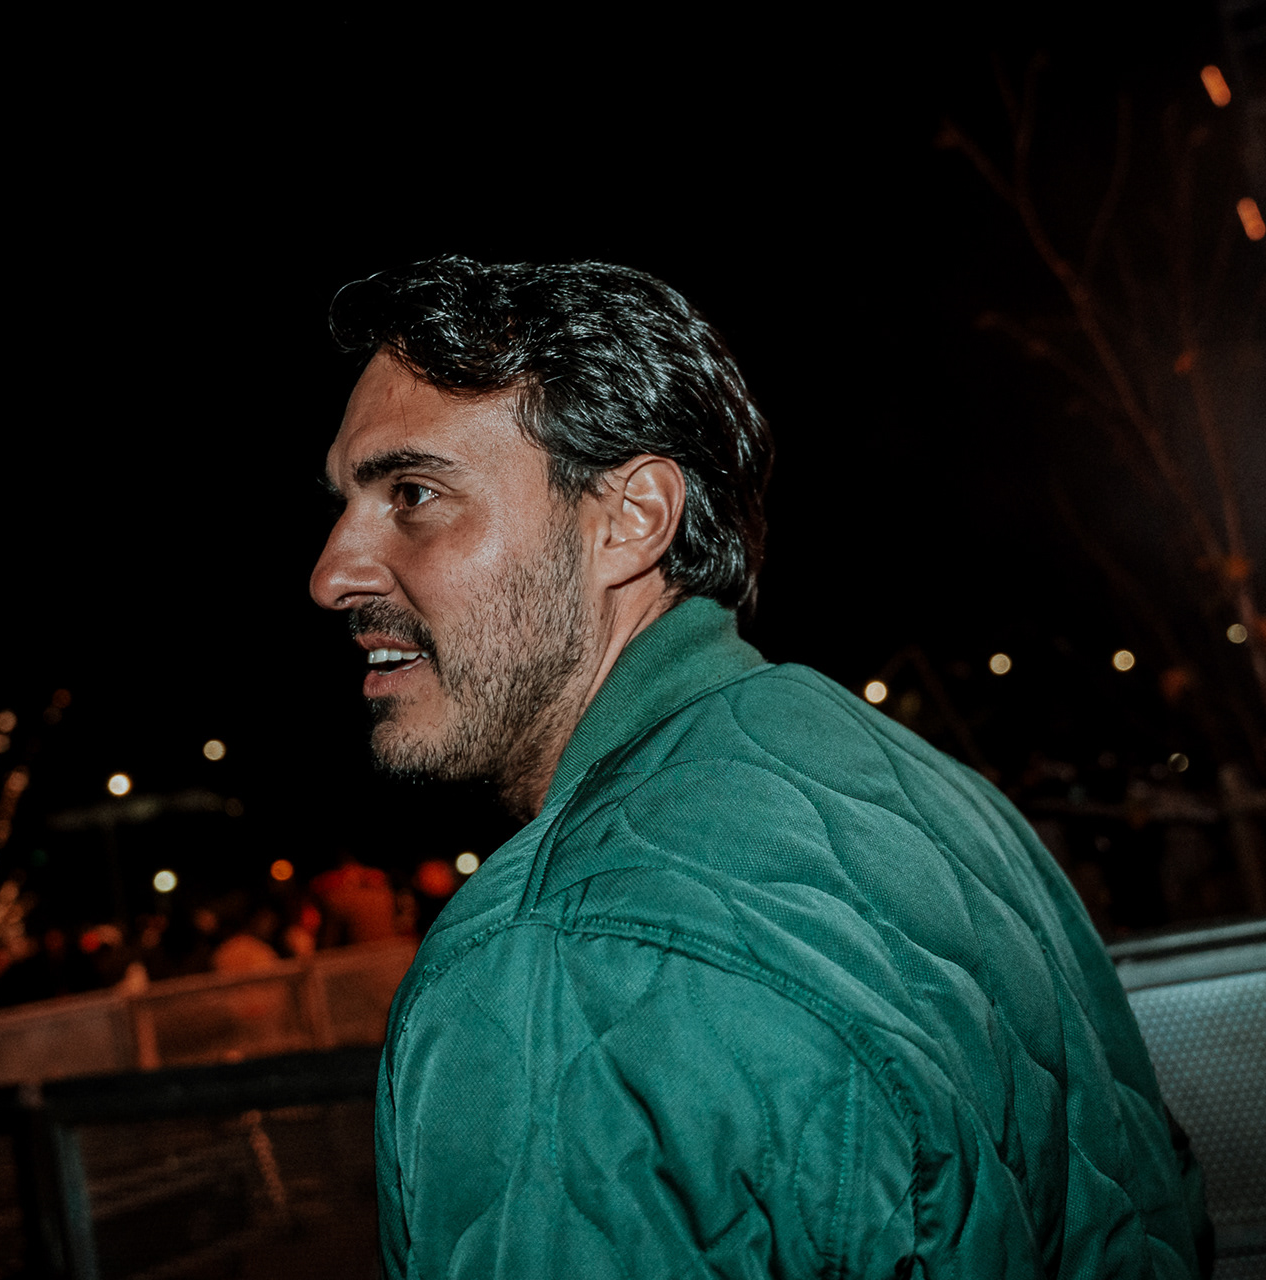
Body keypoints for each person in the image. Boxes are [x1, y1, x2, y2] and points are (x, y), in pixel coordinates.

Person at [309, 257, 1211, 1277]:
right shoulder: (934, 795)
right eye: (343, 502)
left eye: (414, 493)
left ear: (631, 518)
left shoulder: (563, 958)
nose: (332, 572)